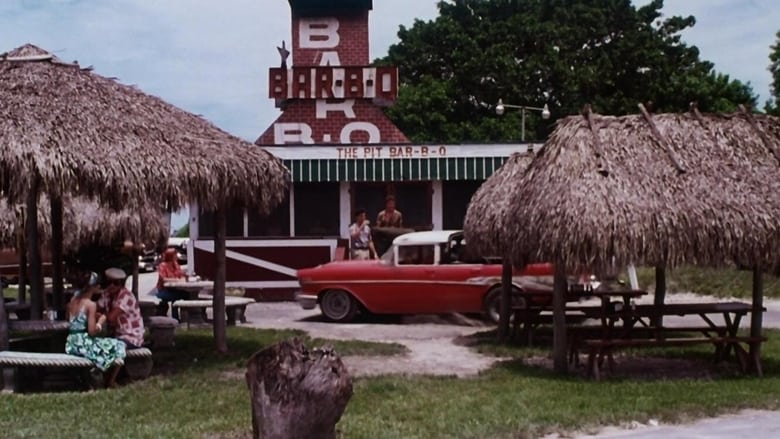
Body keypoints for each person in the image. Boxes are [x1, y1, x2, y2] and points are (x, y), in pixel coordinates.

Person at [65, 271, 126, 388]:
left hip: (71, 342)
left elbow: (69, 319)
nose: (100, 287)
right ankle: (100, 374)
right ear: (92, 287)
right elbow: (92, 331)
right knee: (119, 345)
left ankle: (93, 375)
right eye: (98, 284)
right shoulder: (90, 305)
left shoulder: (72, 302)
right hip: (83, 343)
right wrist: (100, 322)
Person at [102, 268, 145, 349]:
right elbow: (96, 308)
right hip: (118, 336)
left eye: (115, 283)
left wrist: (101, 315)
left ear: (121, 284)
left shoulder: (126, 296)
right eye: (109, 282)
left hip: (131, 337)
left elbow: (111, 318)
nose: (112, 286)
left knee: (106, 348)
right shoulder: (106, 293)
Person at [155, 248, 190, 320]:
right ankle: (175, 318)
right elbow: (163, 279)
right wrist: (176, 280)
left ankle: (187, 316)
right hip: (164, 290)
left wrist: (185, 275)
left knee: (188, 295)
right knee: (175, 297)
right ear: (170, 256)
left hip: (175, 289)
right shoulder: (162, 265)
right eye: (175, 255)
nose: (176, 256)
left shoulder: (176, 264)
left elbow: (180, 275)